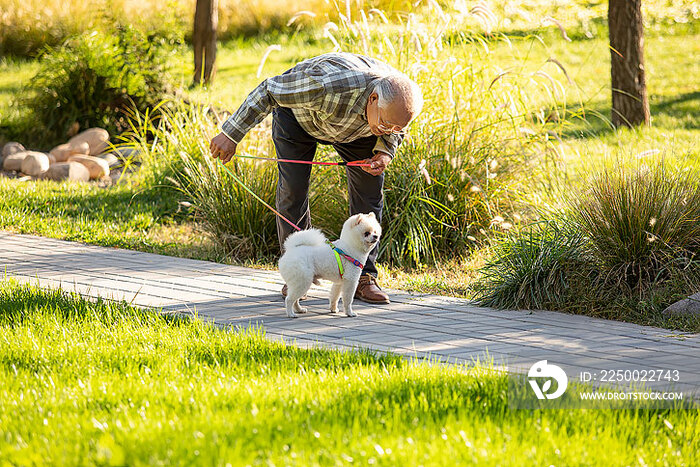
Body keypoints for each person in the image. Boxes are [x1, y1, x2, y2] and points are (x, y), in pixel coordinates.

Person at [210, 52, 423, 304]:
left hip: (357, 132)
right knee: (293, 191)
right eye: (387, 125)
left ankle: (363, 277)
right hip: (299, 121)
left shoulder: (395, 102)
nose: (389, 131)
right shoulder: (325, 85)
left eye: (395, 128)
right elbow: (268, 90)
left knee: (369, 193)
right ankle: (300, 273)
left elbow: (396, 127)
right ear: (373, 98)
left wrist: (385, 150)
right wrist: (231, 133)